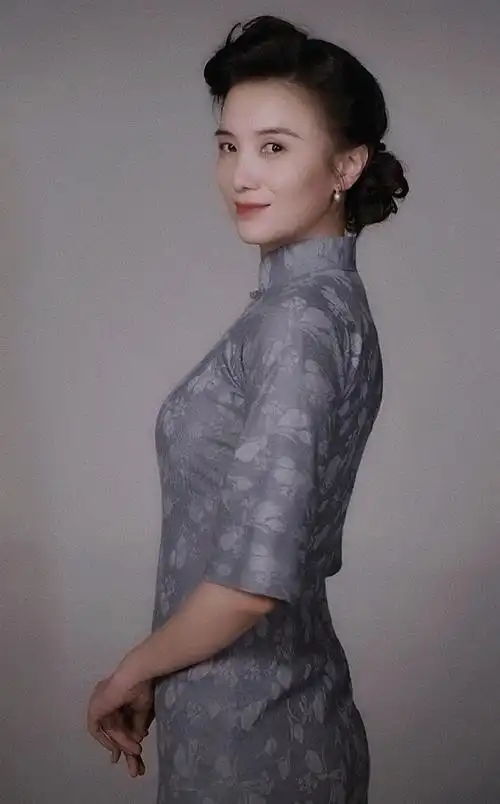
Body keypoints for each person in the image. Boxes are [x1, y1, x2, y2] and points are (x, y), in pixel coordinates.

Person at [87, 14, 409, 803]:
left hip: (259, 737)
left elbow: (251, 581)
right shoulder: (310, 308)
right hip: (245, 713)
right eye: (228, 146)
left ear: (347, 164)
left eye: (274, 147)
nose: (241, 175)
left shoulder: (300, 321)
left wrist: (131, 670)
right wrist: (167, 673)